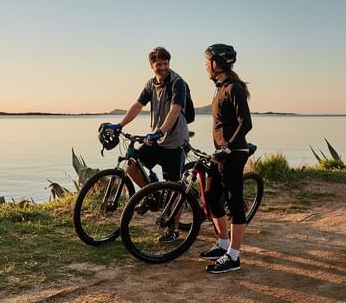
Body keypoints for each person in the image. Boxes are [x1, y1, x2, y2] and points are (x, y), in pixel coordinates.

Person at [101, 46, 189, 243]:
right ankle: (152, 195)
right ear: (151, 66)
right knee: (132, 166)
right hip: (156, 138)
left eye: (166, 64)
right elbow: (137, 105)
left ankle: (173, 229)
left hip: (174, 140)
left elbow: (175, 111)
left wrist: (160, 131)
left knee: (174, 186)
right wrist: (119, 124)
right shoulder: (151, 84)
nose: (163, 67)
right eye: (159, 64)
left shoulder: (177, 83)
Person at [200, 43, 252, 274]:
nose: (205, 67)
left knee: (234, 202)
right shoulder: (220, 87)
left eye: (206, 63)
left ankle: (234, 256)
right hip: (220, 153)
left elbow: (246, 122)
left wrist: (228, 147)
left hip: (233, 153)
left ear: (216, 64)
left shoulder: (234, 88)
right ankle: (222, 243)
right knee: (211, 198)